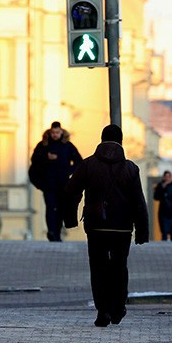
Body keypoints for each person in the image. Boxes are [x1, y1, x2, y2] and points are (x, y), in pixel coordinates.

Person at [64, 124, 149, 327]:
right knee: (120, 267)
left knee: (99, 268)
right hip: (122, 228)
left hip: (96, 227)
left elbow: (71, 192)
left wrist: (70, 219)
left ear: (101, 140)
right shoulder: (130, 168)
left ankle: (103, 310)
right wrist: (142, 231)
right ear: (121, 141)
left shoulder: (88, 165)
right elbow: (138, 200)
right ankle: (118, 308)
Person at [29, 121, 82, 242]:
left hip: (63, 184)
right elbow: (34, 163)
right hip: (48, 184)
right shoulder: (43, 146)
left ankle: (57, 232)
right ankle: (52, 232)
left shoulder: (68, 146)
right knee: (50, 208)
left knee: (61, 209)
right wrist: (46, 159)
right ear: (50, 132)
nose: (55, 135)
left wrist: (68, 171)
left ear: (61, 132)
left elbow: (79, 162)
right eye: (53, 132)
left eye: (57, 132)